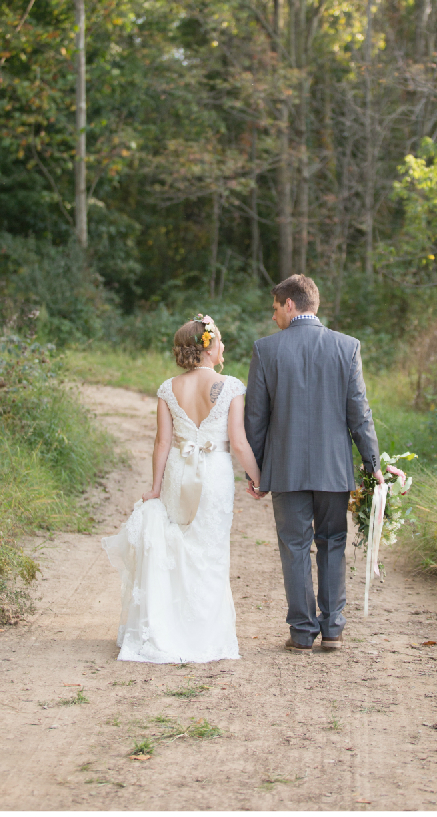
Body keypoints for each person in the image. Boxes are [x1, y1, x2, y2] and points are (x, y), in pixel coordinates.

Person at [102, 314, 262, 664]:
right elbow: (238, 442)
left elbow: (162, 442)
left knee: (179, 547)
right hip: (215, 475)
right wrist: (258, 478)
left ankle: (168, 630)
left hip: (177, 471)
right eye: (219, 341)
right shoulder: (231, 386)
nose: (223, 347)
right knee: (211, 550)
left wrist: (156, 486)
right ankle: (202, 635)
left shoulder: (167, 387)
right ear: (209, 348)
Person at [244, 274, 381, 653]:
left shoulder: (266, 350)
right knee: (333, 542)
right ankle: (333, 628)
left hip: (285, 468)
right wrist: (373, 464)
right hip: (332, 469)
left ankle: (303, 632)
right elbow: (360, 414)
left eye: (275, 308)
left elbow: (256, 418)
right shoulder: (346, 347)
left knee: (294, 545)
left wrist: (254, 470)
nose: (273, 318)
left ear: (290, 304)